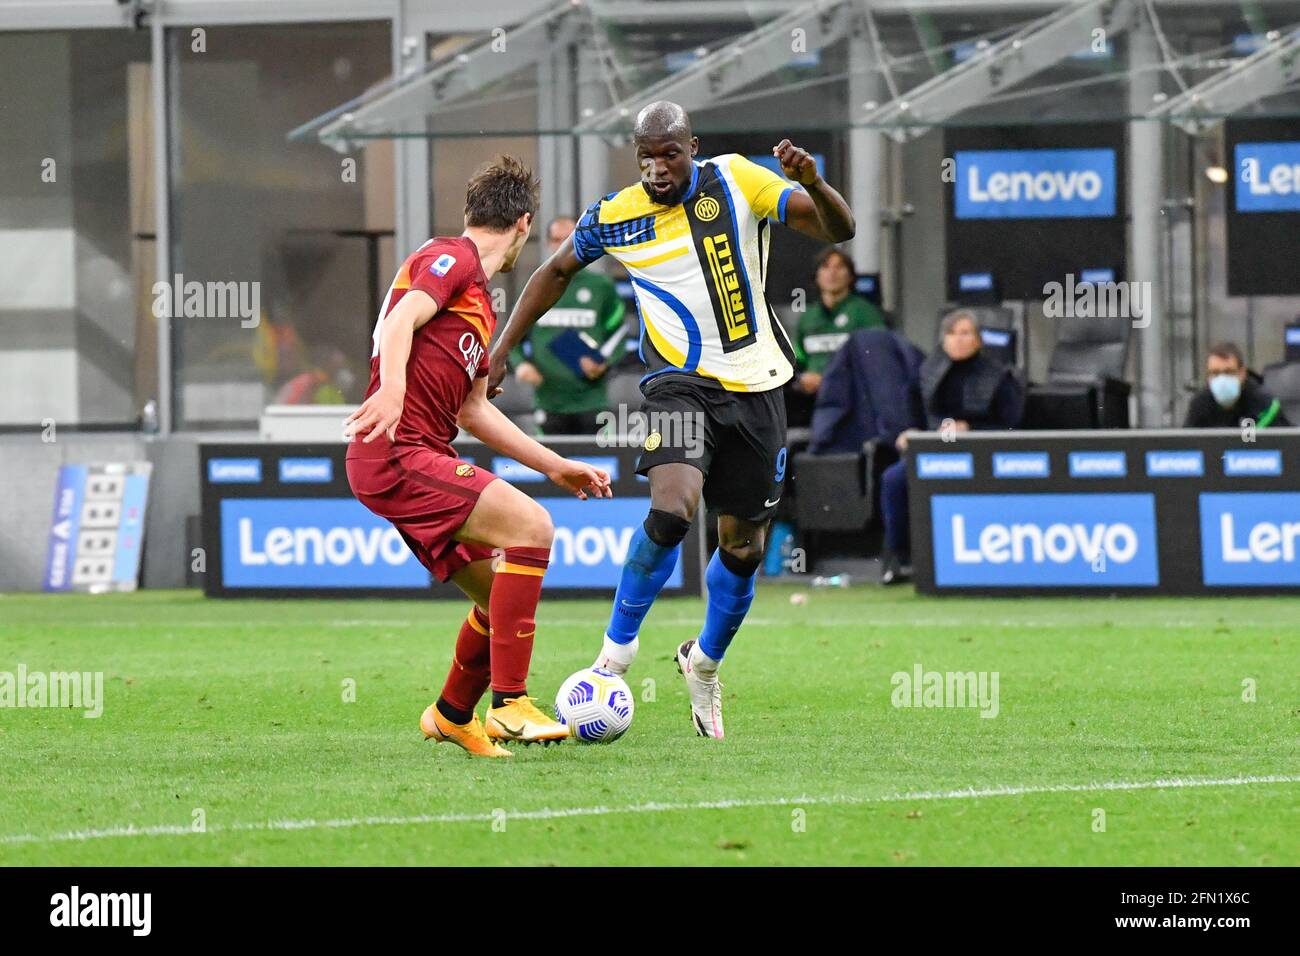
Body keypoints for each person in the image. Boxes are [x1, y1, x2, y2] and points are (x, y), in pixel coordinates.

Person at [488, 101, 855, 738]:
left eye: (670, 154)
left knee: (743, 546)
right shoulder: (616, 214)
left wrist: (815, 182)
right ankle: (613, 660)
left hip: (757, 388)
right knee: (674, 507)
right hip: (677, 385)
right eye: (646, 158)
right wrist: (499, 352)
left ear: (694, 146)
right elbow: (553, 273)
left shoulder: (739, 179)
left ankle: (704, 665)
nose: (658, 169)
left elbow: (838, 230)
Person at [344, 156, 613, 759]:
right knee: (532, 527)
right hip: (394, 452)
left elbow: (473, 412)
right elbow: (400, 321)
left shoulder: (480, 302)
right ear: (523, 225)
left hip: (413, 455)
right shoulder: (453, 258)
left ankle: (450, 715)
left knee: (498, 600)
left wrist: (553, 465)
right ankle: (510, 705)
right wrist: (390, 389)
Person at [879, 310, 1023, 585]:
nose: (958, 340)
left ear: (979, 340)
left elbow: (1011, 426)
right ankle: (899, 559)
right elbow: (910, 415)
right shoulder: (926, 373)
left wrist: (971, 429)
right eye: (951, 333)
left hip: (981, 455)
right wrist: (909, 432)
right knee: (894, 480)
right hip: (933, 452)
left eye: (966, 333)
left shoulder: (999, 377)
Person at [509, 216, 628, 435]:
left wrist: (604, 362)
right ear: (548, 243)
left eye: (569, 239)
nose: (562, 245)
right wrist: (521, 365)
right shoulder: (535, 286)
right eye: (556, 239)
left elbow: (619, 333)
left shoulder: (601, 286)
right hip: (547, 401)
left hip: (592, 402)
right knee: (550, 467)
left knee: (599, 468)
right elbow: (511, 337)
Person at [793, 246, 885, 395]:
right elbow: (798, 360)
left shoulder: (865, 313)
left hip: (853, 395)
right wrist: (803, 377)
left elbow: (878, 358)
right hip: (812, 398)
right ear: (817, 276)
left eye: (839, 267)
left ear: (850, 276)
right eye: (826, 267)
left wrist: (829, 380)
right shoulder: (808, 317)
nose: (832, 273)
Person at [1183, 341, 1290, 429]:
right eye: (1215, 373)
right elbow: (1187, 448)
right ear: (1207, 377)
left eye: (1229, 372)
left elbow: (1286, 446)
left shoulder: (1264, 404)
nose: (1222, 379)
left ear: (1242, 373)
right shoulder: (1199, 405)